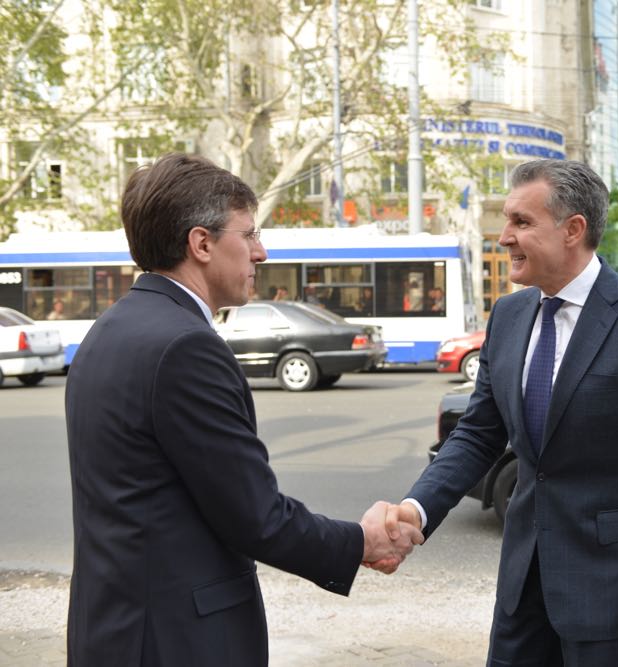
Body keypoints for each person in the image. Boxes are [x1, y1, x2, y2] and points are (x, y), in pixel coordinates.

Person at [64, 153, 422, 666]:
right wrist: (359, 542)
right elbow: (254, 516)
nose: (261, 251)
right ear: (202, 243)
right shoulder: (187, 347)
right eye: (249, 233)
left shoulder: (108, 330)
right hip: (176, 642)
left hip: (113, 630)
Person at [382, 159, 618, 666]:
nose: (505, 238)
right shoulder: (510, 314)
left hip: (614, 594)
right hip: (522, 589)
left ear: (573, 230)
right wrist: (416, 509)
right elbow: (478, 434)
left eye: (521, 222)